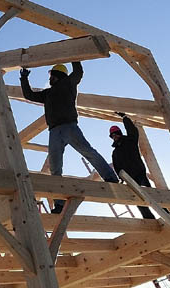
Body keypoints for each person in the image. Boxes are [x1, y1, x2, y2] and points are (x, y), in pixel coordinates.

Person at [20, 62, 118, 214]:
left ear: (58, 75)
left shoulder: (68, 83)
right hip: (54, 132)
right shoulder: (47, 94)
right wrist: (24, 79)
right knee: (55, 167)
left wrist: (74, 58)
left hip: (69, 127)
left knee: (88, 152)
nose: (50, 78)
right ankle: (59, 204)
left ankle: (110, 178)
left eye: (52, 75)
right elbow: (29, 95)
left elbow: (78, 72)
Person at [109, 112, 156, 219]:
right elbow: (117, 167)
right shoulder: (115, 152)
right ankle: (149, 220)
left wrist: (125, 118)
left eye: (116, 133)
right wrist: (120, 178)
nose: (115, 136)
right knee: (138, 200)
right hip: (130, 179)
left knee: (152, 195)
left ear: (120, 133)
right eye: (112, 135)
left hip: (139, 174)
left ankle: (167, 213)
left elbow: (132, 130)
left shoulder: (130, 141)